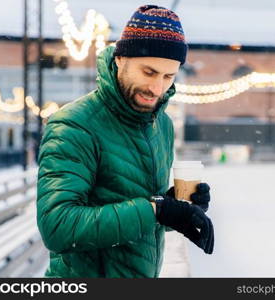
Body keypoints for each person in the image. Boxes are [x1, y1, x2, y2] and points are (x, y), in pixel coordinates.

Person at [36, 5, 214, 278]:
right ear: (121, 59)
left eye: (169, 77)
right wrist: (156, 211)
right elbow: (58, 227)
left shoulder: (160, 124)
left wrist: (173, 207)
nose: (157, 88)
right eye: (149, 72)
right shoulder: (74, 125)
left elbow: (137, 209)